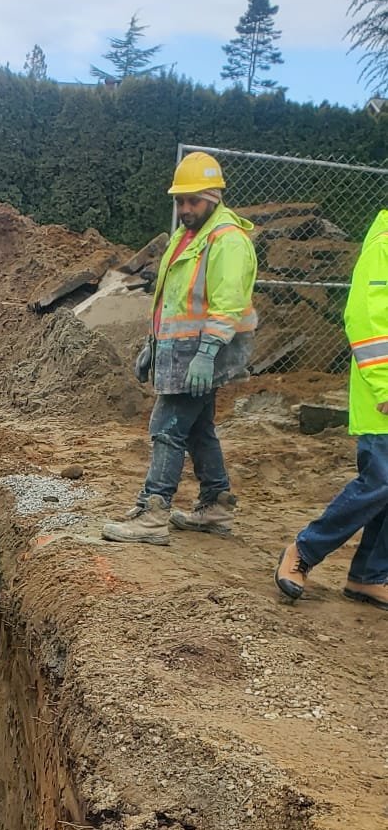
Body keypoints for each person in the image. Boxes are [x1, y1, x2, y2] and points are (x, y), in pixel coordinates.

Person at [102, 152, 258, 546]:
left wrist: (207, 354)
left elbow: (228, 303)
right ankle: (216, 503)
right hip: (182, 348)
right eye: (180, 201)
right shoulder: (187, 236)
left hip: (203, 350)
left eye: (193, 201)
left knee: (167, 427)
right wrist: (152, 345)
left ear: (213, 197)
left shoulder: (227, 241)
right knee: (199, 428)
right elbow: (172, 299)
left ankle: (153, 513)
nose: (185, 209)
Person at [275, 209, 388, 610]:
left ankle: (370, 576)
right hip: (382, 398)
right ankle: (303, 551)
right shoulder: (384, 245)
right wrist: (384, 385)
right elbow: (364, 319)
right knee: (380, 480)